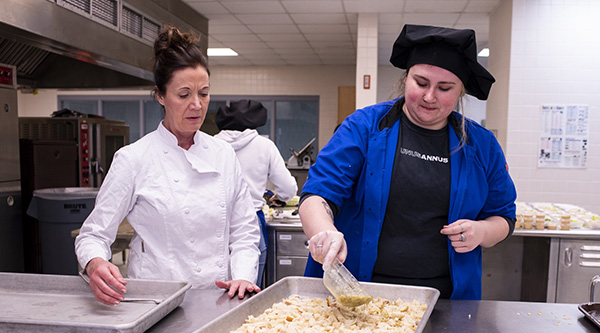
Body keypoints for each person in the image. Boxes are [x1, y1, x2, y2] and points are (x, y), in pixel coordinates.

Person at [299, 24, 517, 300]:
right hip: (354, 293)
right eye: (421, 83)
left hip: (445, 301)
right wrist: (325, 232)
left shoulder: (482, 145)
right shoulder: (365, 127)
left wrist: (482, 231)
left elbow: (505, 217)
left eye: (445, 88)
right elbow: (317, 194)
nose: (429, 96)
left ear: (461, 91)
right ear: (405, 79)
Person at [75, 26, 261, 306]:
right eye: (184, 95)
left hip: (218, 300)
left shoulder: (223, 154)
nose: (197, 105)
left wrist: (244, 277)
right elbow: (93, 234)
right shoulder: (134, 158)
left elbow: (245, 232)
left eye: (204, 93)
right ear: (160, 96)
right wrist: (95, 263)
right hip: (154, 301)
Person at [215, 99, 298, 287]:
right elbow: (288, 189)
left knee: (213, 288)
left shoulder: (210, 144)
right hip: (251, 220)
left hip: (214, 221)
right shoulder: (264, 145)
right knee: (247, 287)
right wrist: (281, 197)